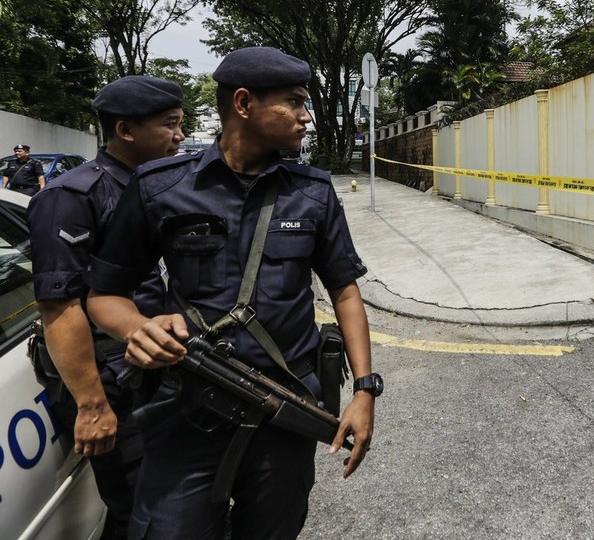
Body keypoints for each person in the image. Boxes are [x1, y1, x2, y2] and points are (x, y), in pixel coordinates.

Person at [86, 46, 379, 540]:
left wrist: (365, 392)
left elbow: (345, 291)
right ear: (243, 104)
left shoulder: (313, 192)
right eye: (294, 102)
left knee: (272, 530)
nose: (307, 117)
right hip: (188, 409)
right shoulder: (160, 187)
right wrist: (139, 328)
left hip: (284, 407)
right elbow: (104, 294)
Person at [27, 75, 186, 539]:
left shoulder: (148, 185)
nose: (179, 135)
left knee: (169, 496)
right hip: (114, 376)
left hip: (150, 363)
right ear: (126, 131)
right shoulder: (71, 197)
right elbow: (59, 307)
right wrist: (93, 405)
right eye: (170, 124)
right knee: (141, 509)